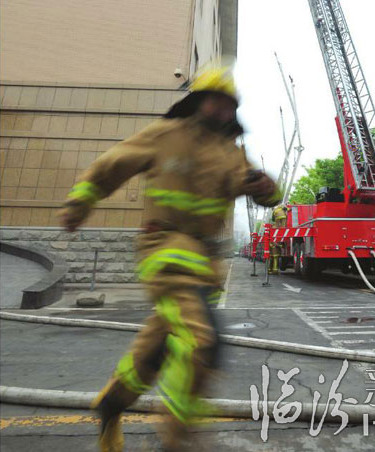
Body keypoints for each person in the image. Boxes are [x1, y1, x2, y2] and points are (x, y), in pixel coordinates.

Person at [60, 65, 280, 451]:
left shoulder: (231, 154)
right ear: (198, 101)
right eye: (215, 100)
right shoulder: (165, 135)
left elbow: (266, 194)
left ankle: (112, 403)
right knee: (201, 342)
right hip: (164, 250)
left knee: (157, 350)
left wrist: (265, 187)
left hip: (204, 264)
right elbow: (114, 163)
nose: (222, 108)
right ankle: (176, 441)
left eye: (229, 103)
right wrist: (80, 202)